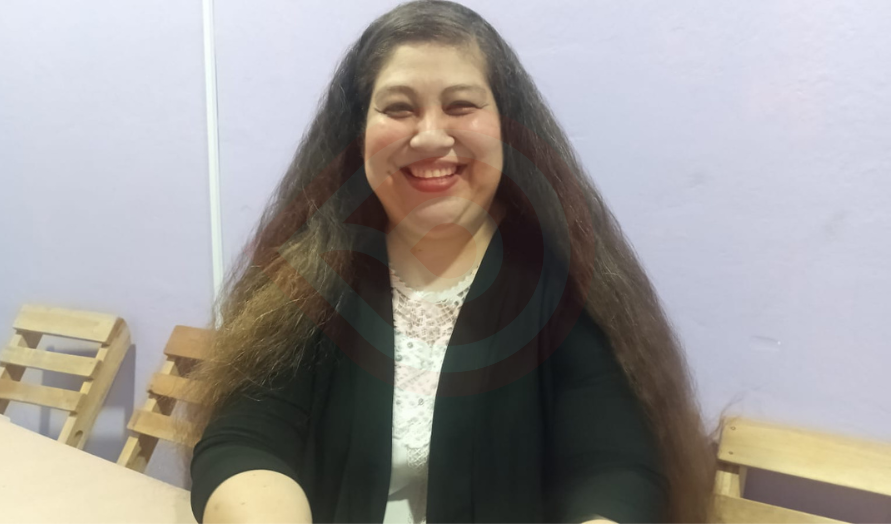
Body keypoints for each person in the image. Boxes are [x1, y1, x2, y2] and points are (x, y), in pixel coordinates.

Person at [181, 1, 715, 522]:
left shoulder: (562, 283)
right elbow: (244, 438)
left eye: (461, 106)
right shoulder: (314, 275)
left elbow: (616, 470)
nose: (431, 136)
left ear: (507, 126)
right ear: (357, 134)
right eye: (398, 108)